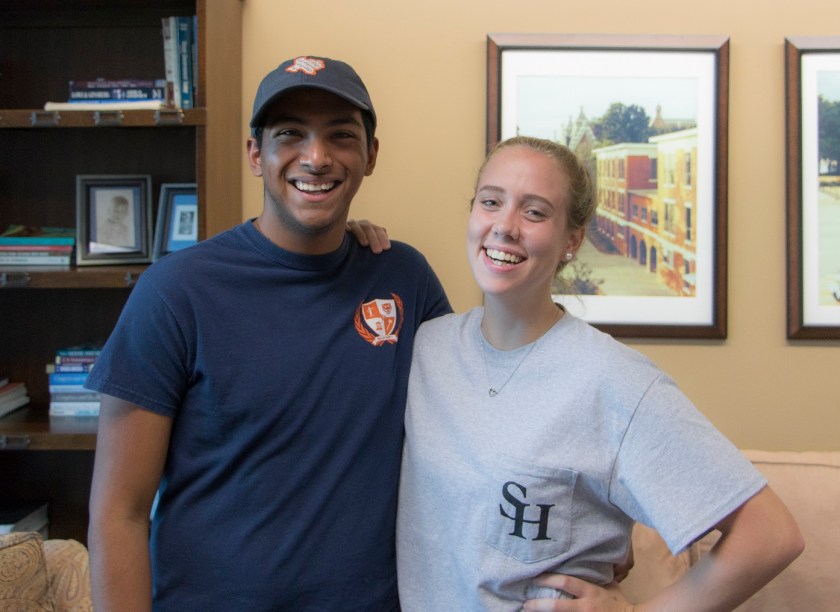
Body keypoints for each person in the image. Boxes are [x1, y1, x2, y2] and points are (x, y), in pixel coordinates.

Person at [86, 55, 450, 611]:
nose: (317, 157)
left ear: (370, 155)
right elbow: (120, 512)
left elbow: (474, 433)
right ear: (256, 154)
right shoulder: (176, 292)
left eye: (341, 136)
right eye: (290, 134)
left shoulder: (404, 279)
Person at [396, 135, 804, 611]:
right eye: (491, 202)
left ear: (572, 240)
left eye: (535, 212)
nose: (505, 226)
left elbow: (770, 534)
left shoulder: (613, 379)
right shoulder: (427, 347)